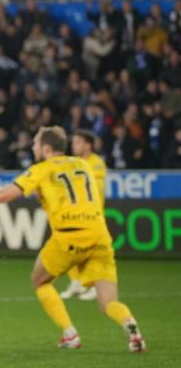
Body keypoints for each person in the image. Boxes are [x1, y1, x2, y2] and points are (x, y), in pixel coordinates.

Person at [0, 126, 146, 352]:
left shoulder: (42, 169)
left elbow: (1, 196)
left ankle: (70, 334)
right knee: (109, 303)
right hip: (99, 235)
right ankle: (131, 326)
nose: (33, 147)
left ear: (47, 149)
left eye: (36, 144)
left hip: (69, 236)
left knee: (40, 280)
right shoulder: (83, 164)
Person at [59, 129, 107, 301]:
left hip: (93, 216)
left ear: (88, 145)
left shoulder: (96, 163)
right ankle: (77, 282)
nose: (74, 145)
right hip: (77, 215)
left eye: (78, 142)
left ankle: (94, 285)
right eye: (73, 142)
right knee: (69, 248)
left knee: (90, 253)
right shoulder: (75, 162)